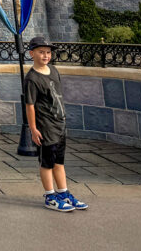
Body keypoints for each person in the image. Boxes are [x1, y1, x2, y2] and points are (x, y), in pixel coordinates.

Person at [24, 36, 88, 212]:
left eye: (48, 52)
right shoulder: (32, 78)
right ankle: (50, 196)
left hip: (59, 124)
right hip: (45, 127)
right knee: (47, 163)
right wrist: (33, 129)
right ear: (32, 53)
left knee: (59, 162)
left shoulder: (53, 70)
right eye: (41, 52)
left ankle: (63, 193)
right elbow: (29, 105)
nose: (46, 55)